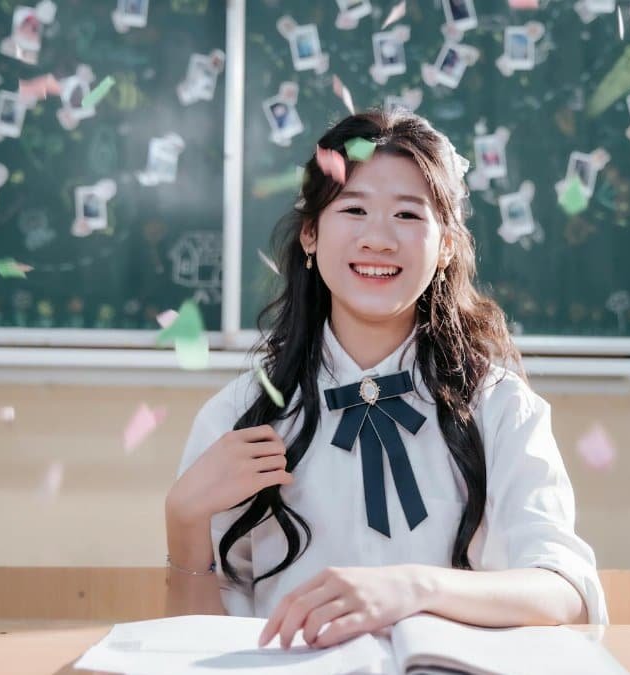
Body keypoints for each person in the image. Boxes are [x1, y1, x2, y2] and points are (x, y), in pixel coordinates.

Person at [165, 110, 607, 650]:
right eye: (353, 209)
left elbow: (567, 592)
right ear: (310, 234)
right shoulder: (242, 414)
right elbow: (191, 642)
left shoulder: (501, 407)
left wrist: (412, 588)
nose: (377, 239)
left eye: (407, 215)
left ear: (446, 245)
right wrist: (183, 520)